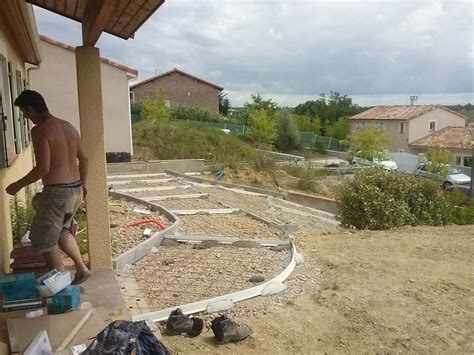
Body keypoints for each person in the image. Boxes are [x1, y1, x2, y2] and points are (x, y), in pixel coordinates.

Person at [6, 90, 91, 284]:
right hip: (75, 190)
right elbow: (84, 159)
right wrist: (83, 184)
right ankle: (81, 268)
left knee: (44, 241)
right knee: (62, 230)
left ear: (31, 109)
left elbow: (43, 168)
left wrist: (16, 186)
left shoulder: (40, 130)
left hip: (57, 193)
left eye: (25, 114)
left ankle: (59, 285)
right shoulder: (68, 127)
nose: (26, 118)